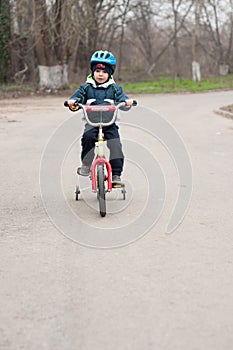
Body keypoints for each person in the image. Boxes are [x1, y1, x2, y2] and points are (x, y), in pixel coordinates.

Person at [67, 50, 134, 185]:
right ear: (93, 72)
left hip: (109, 122)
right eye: (97, 71)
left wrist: (126, 102)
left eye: (104, 72)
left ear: (109, 73)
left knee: (115, 145)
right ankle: (86, 165)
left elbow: (122, 98)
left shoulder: (114, 88)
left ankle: (115, 174)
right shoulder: (86, 87)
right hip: (92, 122)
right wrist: (73, 102)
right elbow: (77, 97)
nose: (101, 74)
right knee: (87, 138)